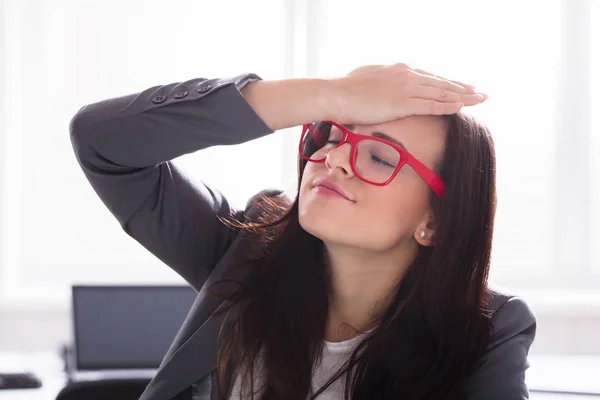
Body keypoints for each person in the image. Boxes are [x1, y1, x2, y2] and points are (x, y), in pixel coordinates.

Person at [69, 63, 536, 400]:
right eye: (330, 135)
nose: (332, 158)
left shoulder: (488, 332)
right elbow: (102, 140)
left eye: (379, 157)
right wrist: (329, 93)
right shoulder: (246, 250)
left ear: (434, 221)